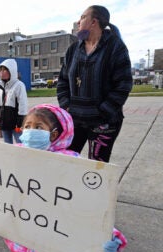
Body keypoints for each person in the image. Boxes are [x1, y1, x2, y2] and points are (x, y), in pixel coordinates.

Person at [5, 104, 128, 252]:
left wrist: (109, 233)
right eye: (27, 126)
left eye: (38, 127)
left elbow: (89, 203)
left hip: (51, 238)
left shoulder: (71, 165)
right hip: (23, 233)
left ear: (54, 134)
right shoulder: (12, 154)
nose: (31, 131)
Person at [57, 5, 133, 163]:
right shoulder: (73, 49)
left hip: (104, 123)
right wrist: (66, 105)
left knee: (96, 169)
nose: (79, 22)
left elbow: (123, 85)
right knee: (66, 162)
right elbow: (62, 81)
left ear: (93, 22)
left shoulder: (115, 47)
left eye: (83, 17)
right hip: (75, 120)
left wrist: (102, 112)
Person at [0, 59, 28, 144]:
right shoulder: (0, 87)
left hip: (16, 123)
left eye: (5, 69)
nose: (2, 72)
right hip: (5, 122)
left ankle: (22, 157)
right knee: (7, 146)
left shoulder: (19, 85)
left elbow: (23, 105)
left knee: (20, 144)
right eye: (1, 70)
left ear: (11, 71)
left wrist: (20, 124)